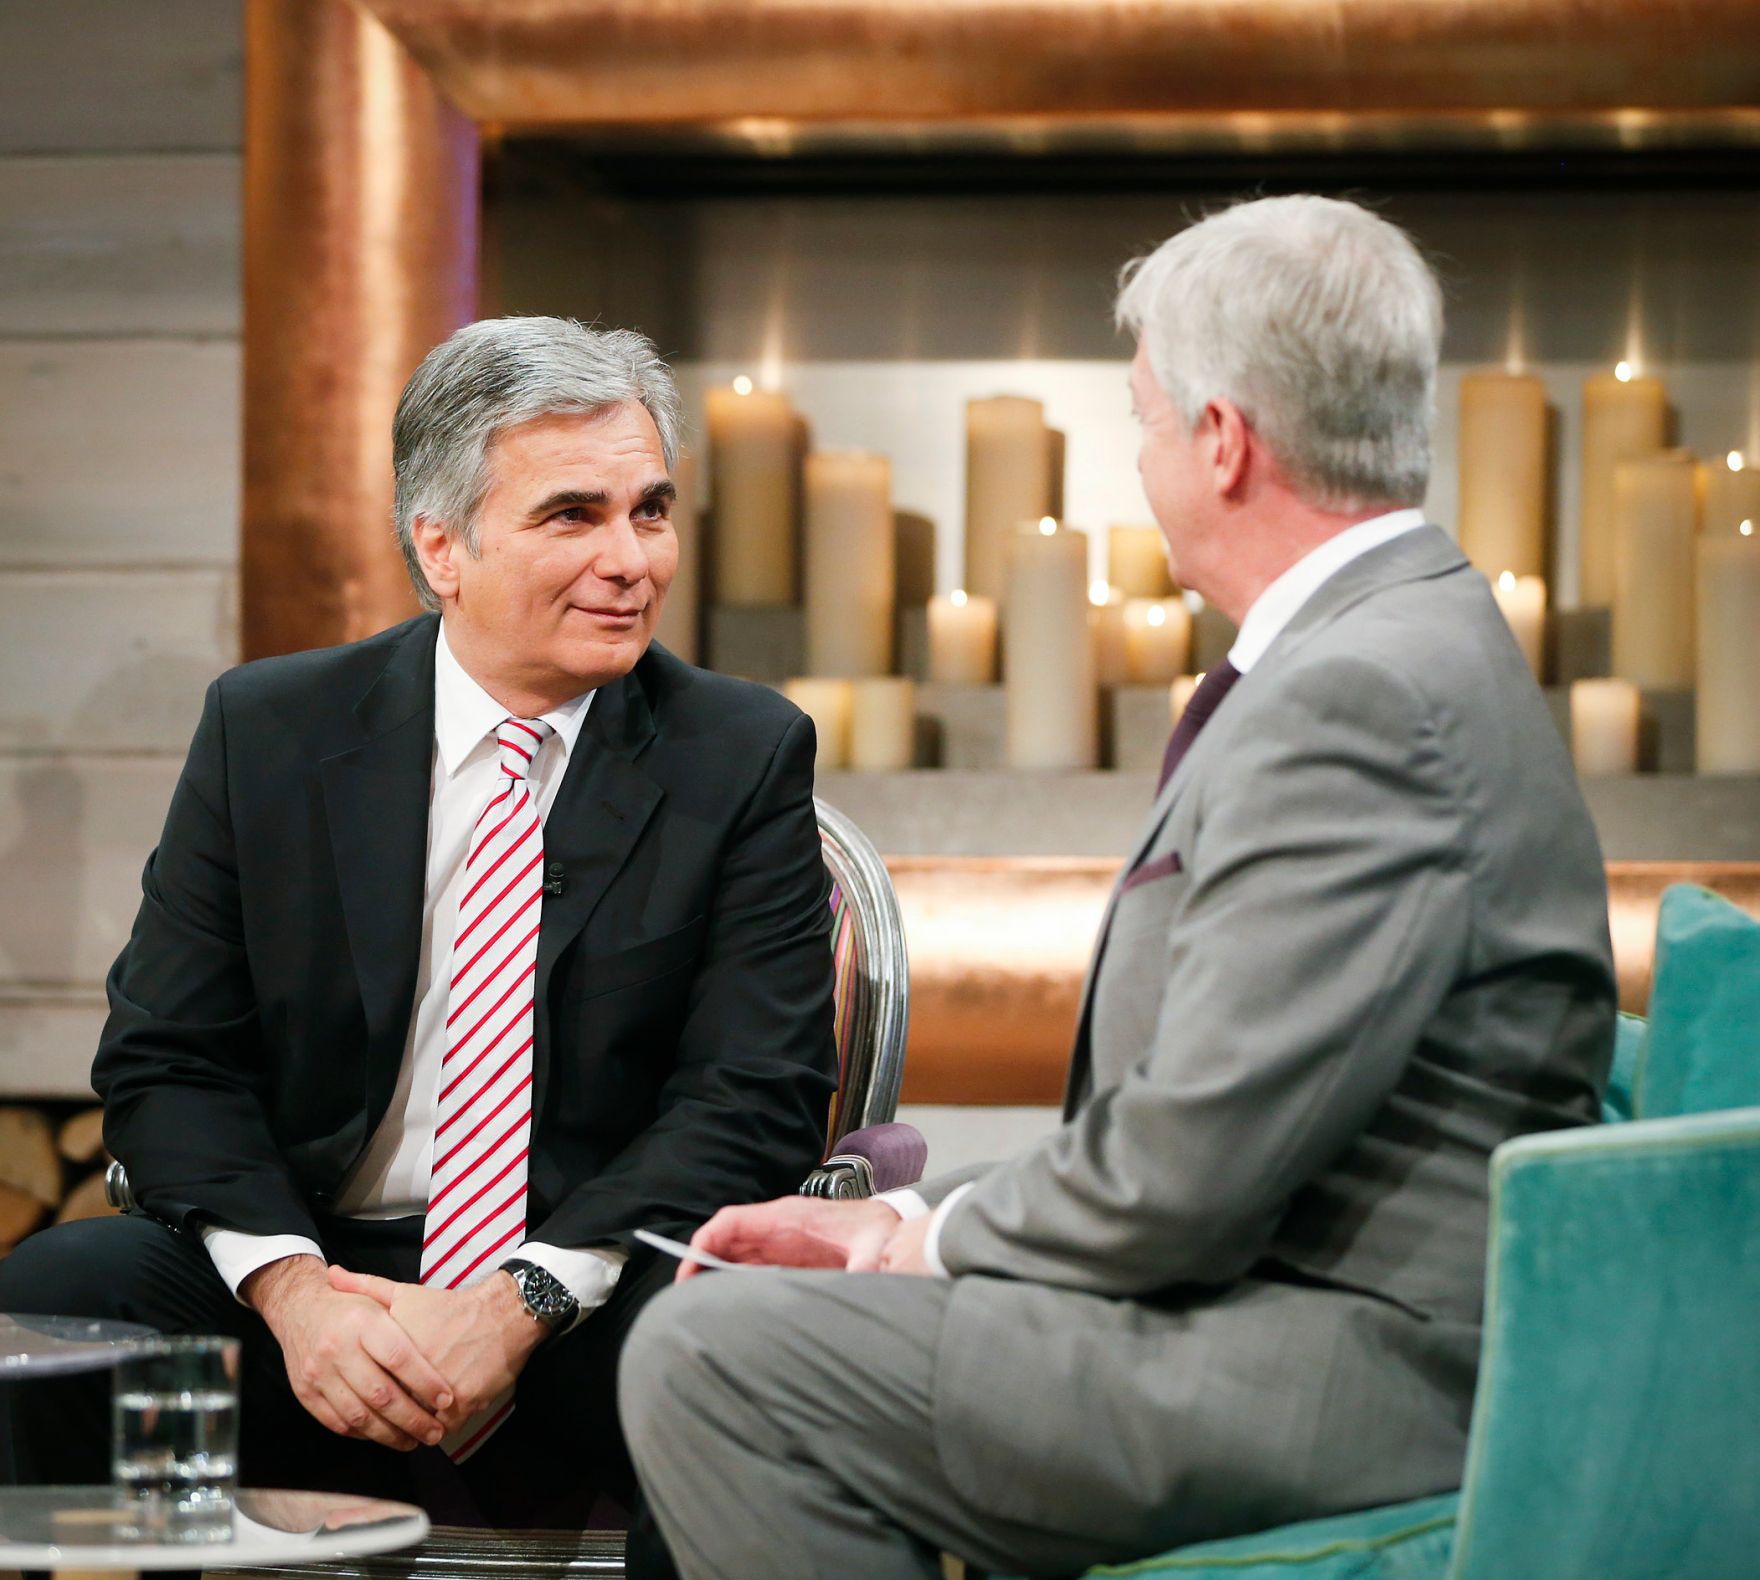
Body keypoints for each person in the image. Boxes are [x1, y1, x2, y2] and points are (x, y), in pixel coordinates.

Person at [617, 195, 1618, 1580]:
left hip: (1346, 1367)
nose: (1140, 461)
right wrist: (895, 1214)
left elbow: (1187, 1172)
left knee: (715, 1358)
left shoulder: (1361, 694)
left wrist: (922, 1249)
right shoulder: (1400, 639)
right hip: (1280, 1307)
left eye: (1144, 421)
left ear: (1222, 441)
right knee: (746, 1330)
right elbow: (1203, 1117)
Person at [0, 318, 836, 1554]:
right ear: (438, 546)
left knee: (737, 1359)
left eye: (648, 509)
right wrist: (294, 1293)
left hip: (586, 1283)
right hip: (317, 1268)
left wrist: (520, 1299)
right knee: (58, 1298)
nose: (630, 560)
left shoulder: (739, 749)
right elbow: (169, 1058)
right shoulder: (271, 729)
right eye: (572, 515)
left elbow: (752, 1095)